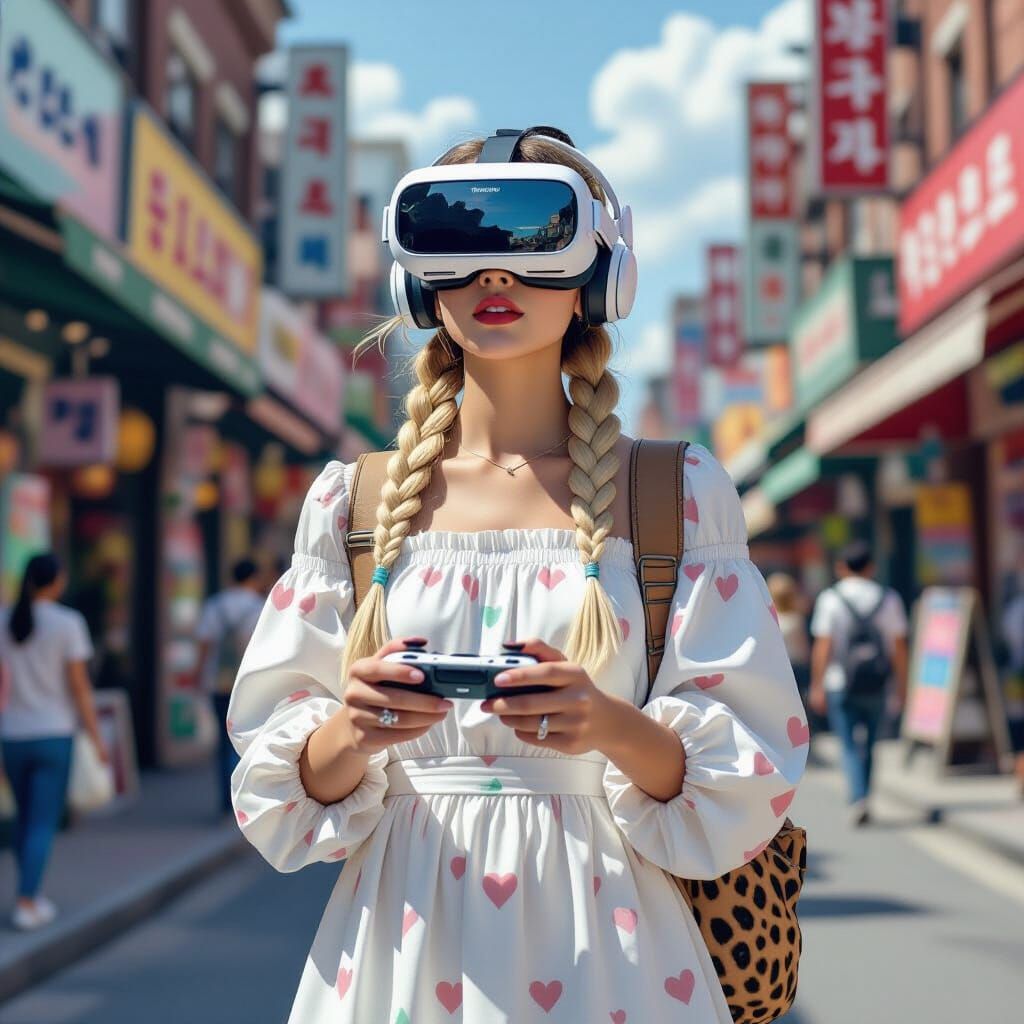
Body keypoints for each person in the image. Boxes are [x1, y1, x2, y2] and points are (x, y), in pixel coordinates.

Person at [227, 128, 808, 1023]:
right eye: (455, 238)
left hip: (616, 956)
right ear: (416, 279)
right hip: (400, 952)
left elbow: (749, 770)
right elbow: (280, 787)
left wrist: (605, 724)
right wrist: (355, 727)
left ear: (599, 276)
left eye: (536, 237)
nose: (493, 277)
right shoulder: (352, 503)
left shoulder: (676, 493)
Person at [0, 553, 109, 931]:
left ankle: (28, 892)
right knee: (42, 824)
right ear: (58, 581)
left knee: (24, 819)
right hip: (54, 735)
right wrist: (97, 737)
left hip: (11, 735)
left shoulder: (4, 620)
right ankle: (27, 901)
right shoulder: (68, 623)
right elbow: (79, 688)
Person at [809, 539, 909, 827]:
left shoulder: (830, 599)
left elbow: (823, 645)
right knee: (871, 743)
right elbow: (899, 647)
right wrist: (902, 686)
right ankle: (865, 794)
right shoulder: (888, 598)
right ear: (872, 567)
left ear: (841, 567)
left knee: (850, 744)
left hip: (840, 682)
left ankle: (858, 797)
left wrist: (817, 684)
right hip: (878, 683)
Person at [195, 557, 265, 817]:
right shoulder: (260, 608)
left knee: (222, 742)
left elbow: (204, 644)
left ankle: (226, 799)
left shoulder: (215, 605)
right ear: (254, 579)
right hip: (248, 683)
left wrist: (198, 674)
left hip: (217, 681)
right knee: (246, 738)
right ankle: (243, 798)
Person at [767, 572, 811, 709]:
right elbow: (804, 648)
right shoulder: (797, 618)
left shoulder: (769, 618)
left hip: (777, 666)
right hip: (798, 666)